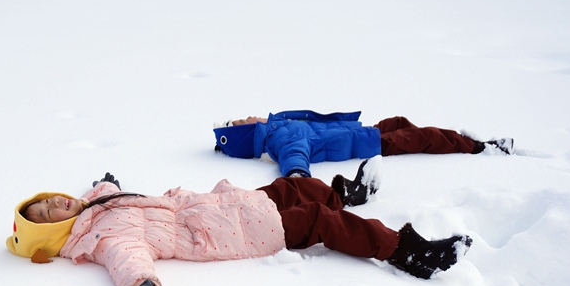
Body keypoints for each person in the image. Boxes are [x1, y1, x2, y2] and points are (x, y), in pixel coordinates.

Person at [6, 163, 472, 286]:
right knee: (317, 221)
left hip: (216, 205)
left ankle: (344, 192)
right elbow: (128, 260)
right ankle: (406, 253)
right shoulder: (104, 237)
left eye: (48, 200)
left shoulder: (95, 204)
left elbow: (110, 193)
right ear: (55, 233)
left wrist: (105, 182)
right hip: (227, 232)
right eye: (49, 214)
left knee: (292, 190)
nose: (56, 203)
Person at [213, 111, 513, 178]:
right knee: (422, 138)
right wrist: (295, 174)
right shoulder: (279, 137)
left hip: (358, 131)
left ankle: (452, 140)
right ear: (247, 130)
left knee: (398, 122)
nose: (245, 115)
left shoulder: (275, 127)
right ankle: (479, 147)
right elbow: (295, 154)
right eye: (239, 120)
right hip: (364, 143)